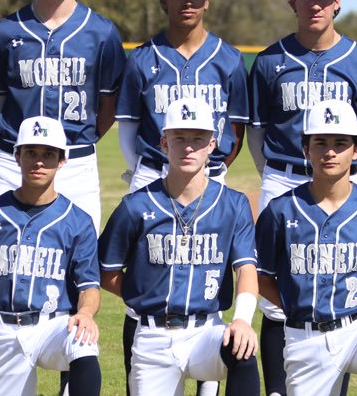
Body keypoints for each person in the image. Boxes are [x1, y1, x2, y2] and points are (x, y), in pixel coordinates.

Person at [246, 0, 357, 393]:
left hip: (341, 180)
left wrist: (348, 175)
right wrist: (274, 174)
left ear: (337, 3)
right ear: (293, 2)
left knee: (330, 284)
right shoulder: (269, 61)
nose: (316, 4)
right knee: (277, 301)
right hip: (283, 177)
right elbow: (256, 131)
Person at [99, 97, 262, 395]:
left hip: (207, 332)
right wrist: (143, 293)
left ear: (212, 144)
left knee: (242, 349)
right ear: (164, 142)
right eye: (179, 138)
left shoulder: (233, 204)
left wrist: (241, 320)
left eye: (198, 138)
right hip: (153, 337)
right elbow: (105, 270)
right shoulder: (137, 206)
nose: (189, 147)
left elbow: (247, 270)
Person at [255, 99, 357, 396]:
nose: (329, 152)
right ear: (306, 149)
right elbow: (261, 276)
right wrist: (294, 305)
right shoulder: (280, 211)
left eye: (340, 143)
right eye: (320, 143)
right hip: (305, 338)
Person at [0, 0, 125, 221]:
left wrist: (84, 137)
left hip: (76, 161)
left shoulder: (102, 32)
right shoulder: (4, 32)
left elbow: (108, 106)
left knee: (79, 258)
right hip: (14, 159)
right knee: (1, 253)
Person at [0, 116, 102, 396]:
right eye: (31, 152)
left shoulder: (78, 220)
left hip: (55, 326)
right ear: (17, 155)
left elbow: (89, 286)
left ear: (62, 161)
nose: (38, 162)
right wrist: (7, 301)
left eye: (48, 154)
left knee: (83, 340)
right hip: (4, 331)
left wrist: (84, 312)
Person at [117, 0, 248, 191]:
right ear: (164, 0)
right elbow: (128, 127)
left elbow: (236, 131)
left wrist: (215, 170)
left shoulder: (229, 59)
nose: (187, 2)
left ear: (207, 0)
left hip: (211, 175)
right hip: (152, 174)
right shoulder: (141, 58)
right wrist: (140, 169)